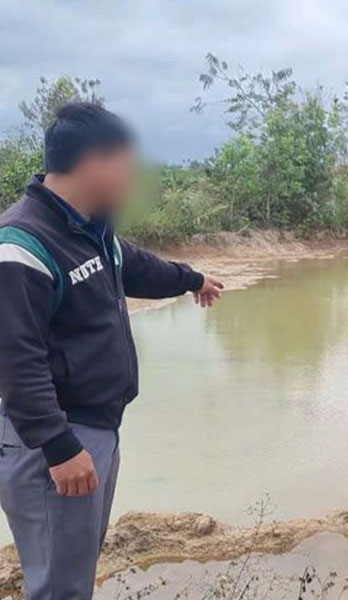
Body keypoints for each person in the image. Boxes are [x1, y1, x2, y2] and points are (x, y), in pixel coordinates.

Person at [0, 102, 224, 598]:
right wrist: (58, 446)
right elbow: (16, 360)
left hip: (95, 430)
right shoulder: (21, 244)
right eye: (129, 163)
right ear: (96, 162)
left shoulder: (90, 229)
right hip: (55, 441)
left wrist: (192, 279)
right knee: (59, 587)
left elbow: (136, 267)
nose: (133, 176)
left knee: (74, 574)